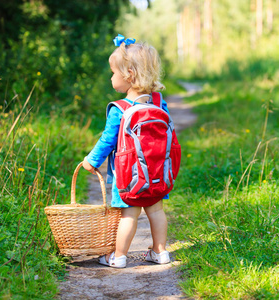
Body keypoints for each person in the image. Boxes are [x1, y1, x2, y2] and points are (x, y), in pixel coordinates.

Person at [82, 34, 170, 268]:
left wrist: (92, 160)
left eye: (113, 72)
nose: (112, 77)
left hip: (128, 177)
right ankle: (160, 253)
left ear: (129, 75)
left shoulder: (120, 108)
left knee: (129, 215)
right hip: (157, 172)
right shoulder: (159, 102)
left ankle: (118, 256)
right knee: (156, 210)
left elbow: (107, 140)